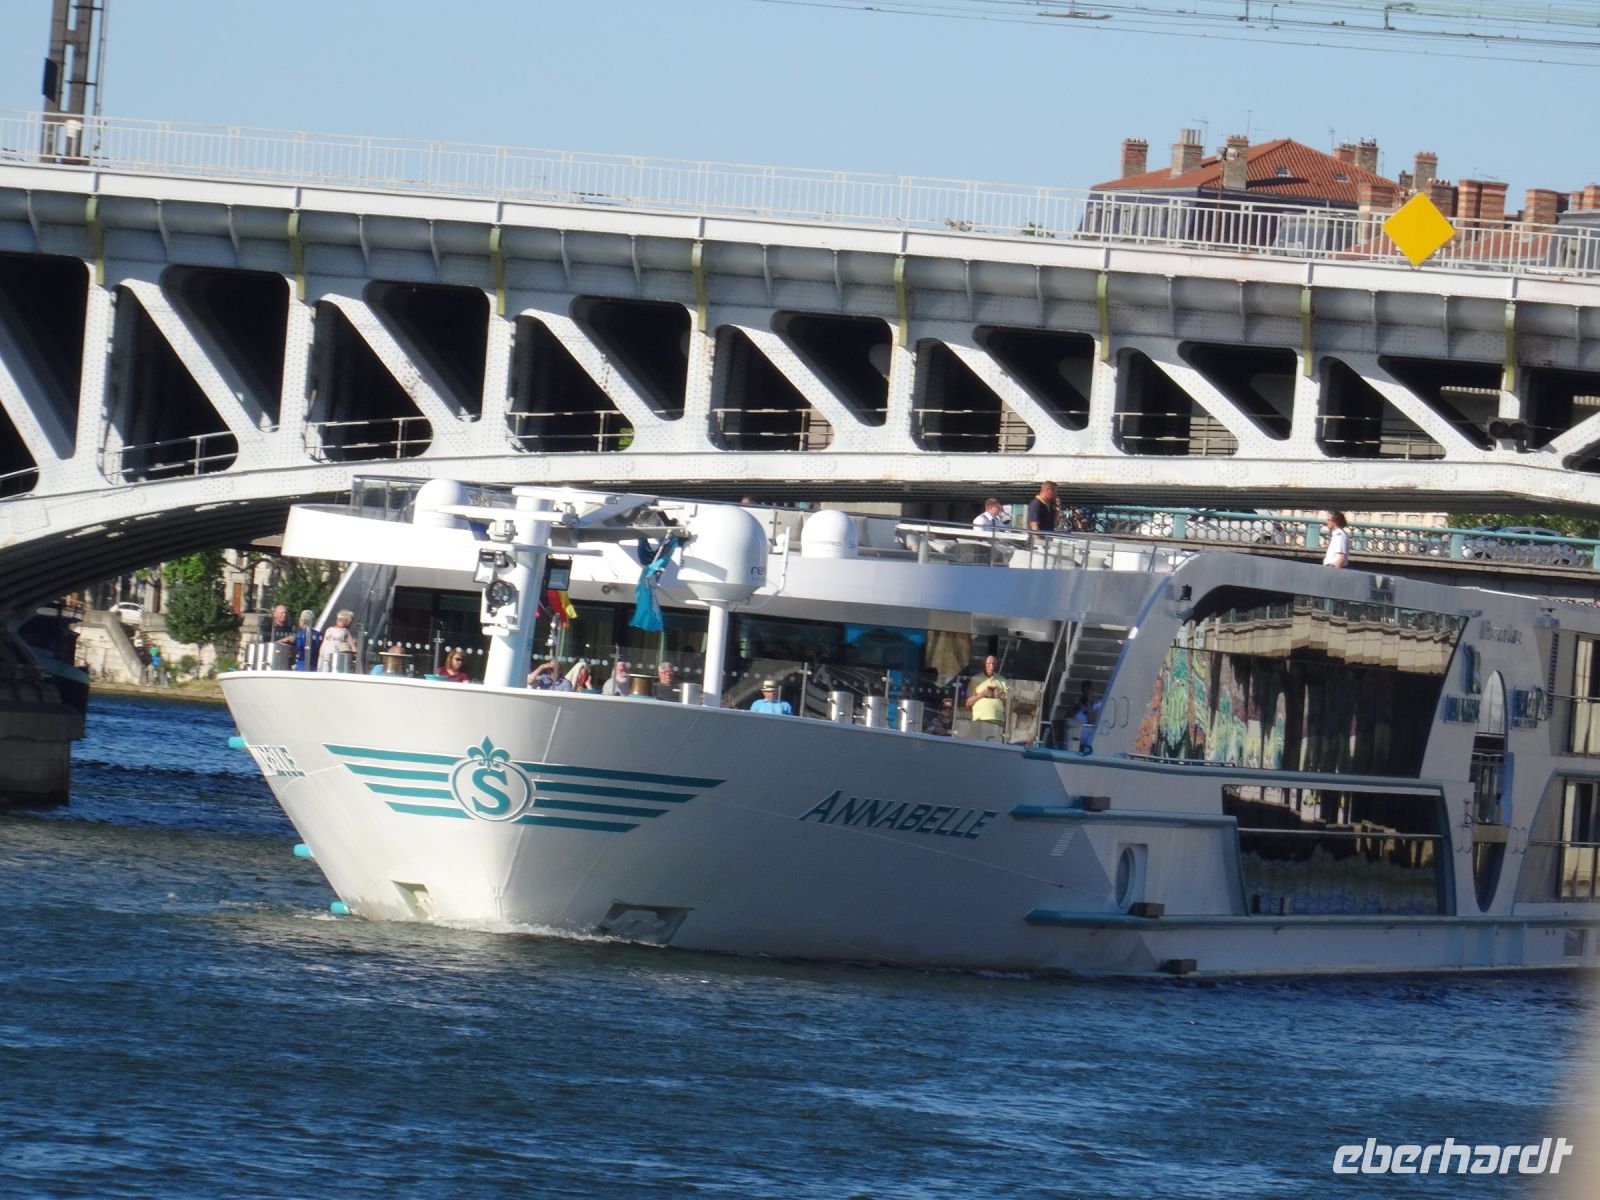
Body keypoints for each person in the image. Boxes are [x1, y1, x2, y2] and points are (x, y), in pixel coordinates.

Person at [964, 654, 1008, 740]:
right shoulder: (975, 679)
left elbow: (1010, 704)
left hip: (997, 720)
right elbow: (967, 703)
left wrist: (1001, 695)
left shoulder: (1003, 681)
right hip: (980, 719)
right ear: (984, 664)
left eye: (993, 664)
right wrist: (981, 695)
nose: (991, 666)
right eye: (989, 663)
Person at [1070, 681, 1102, 754]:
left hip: (1086, 737)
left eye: (1089, 690)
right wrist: (1077, 707)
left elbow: (1091, 721)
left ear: (1093, 691)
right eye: (1085, 690)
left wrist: (1087, 707)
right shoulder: (1076, 705)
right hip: (1074, 735)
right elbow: (1068, 718)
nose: (1087, 693)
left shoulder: (1096, 707)